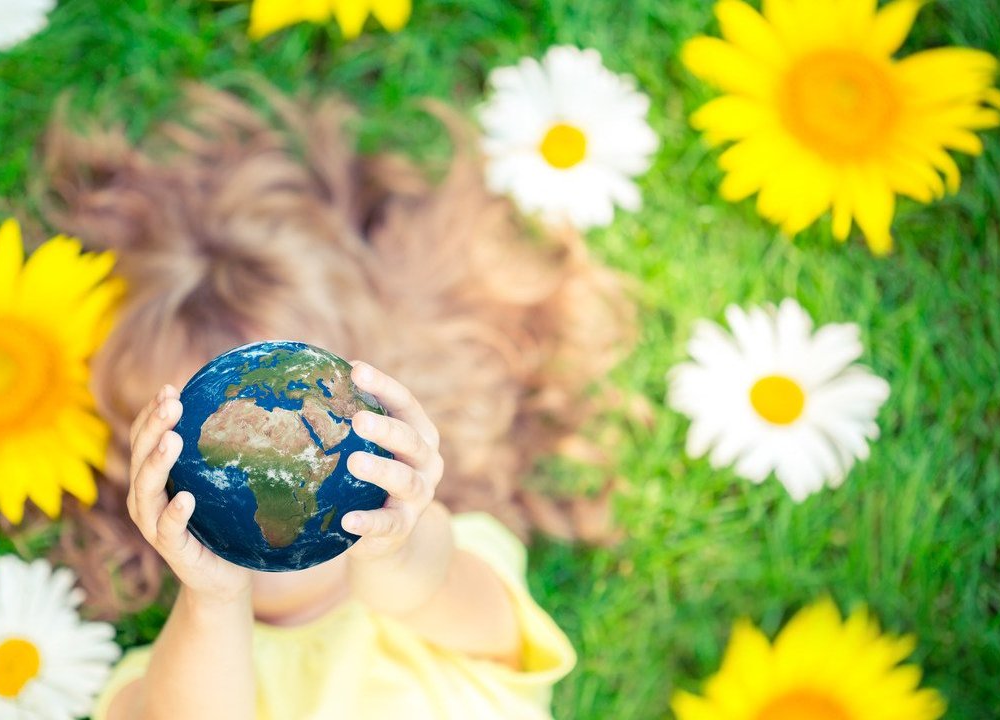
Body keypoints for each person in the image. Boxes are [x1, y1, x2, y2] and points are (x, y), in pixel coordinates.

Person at [40, 84, 636, 718]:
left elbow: (439, 597)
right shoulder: (189, 660)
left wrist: (395, 544)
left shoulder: (448, 567)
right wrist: (213, 601)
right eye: (210, 447)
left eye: (302, 418)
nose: (269, 469)